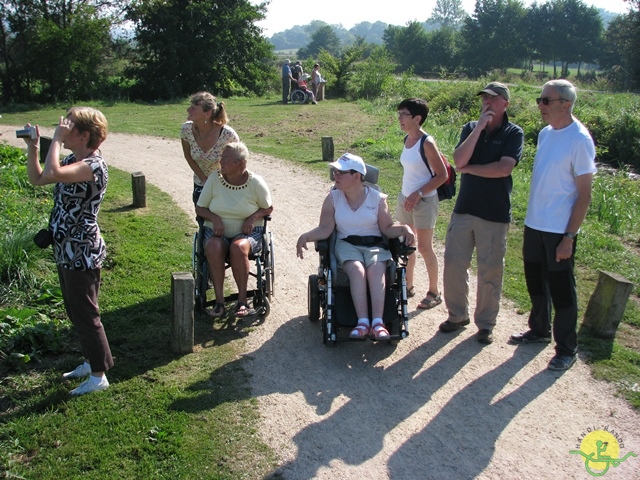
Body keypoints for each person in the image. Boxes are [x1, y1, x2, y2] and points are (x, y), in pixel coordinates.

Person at [24, 107, 113, 395]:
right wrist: (35, 147)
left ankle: (99, 376)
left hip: (82, 248)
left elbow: (53, 173)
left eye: (68, 126)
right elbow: (38, 178)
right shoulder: (72, 160)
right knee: (74, 310)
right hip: (66, 246)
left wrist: (56, 139)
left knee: (86, 313)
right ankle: (91, 361)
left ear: (84, 135)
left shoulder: (93, 166)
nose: (61, 127)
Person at [511, 80, 596, 371]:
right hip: (535, 224)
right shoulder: (546, 134)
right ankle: (539, 330)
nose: (540, 105)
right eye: (540, 99)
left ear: (566, 104)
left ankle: (566, 349)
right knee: (536, 283)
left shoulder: (580, 140)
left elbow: (584, 195)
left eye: (546, 100)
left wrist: (569, 236)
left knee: (562, 290)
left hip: (559, 230)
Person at [296, 153, 415, 341]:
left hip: (375, 245)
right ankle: (362, 323)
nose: (336, 175)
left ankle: (378, 323)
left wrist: (405, 228)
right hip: (347, 245)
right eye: (334, 171)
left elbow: (387, 228)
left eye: (341, 172)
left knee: (376, 270)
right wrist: (306, 236)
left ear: (357, 176)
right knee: (357, 271)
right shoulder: (333, 198)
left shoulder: (377, 198)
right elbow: (326, 229)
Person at [440, 82, 524, 344]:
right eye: (483, 99)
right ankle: (457, 316)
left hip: (494, 213)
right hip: (465, 208)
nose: (486, 103)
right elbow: (459, 160)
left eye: (492, 98)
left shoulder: (513, 133)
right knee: (454, 264)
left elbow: (503, 169)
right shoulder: (470, 128)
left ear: (505, 104)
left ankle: (486, 324)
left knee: (490, 270)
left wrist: (470, 169)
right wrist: (478, 128)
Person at [196, 142, 273, 319]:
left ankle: (242, 301)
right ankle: (220, 302)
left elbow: (268, 208)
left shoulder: (256, 182)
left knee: (238, 248)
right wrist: (214, 219)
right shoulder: (214, 179)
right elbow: (200, 208)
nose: (221, 161)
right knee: (213, 247)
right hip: (216, 232)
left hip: (248, 233)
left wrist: (252, 218)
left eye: (226, 159)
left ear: (241, 163)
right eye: (221, 157)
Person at [395, 98, 448, 310]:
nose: (399, 118)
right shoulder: (407, 138)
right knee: (407, 244)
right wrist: (409, 195)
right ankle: (408, 285)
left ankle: (435, 292)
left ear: (417, 118)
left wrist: (417, 194)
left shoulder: (427, 142)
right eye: (399, 113)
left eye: (404, 114)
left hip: (424, 201)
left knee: (425, 247)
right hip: (406, 198)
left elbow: (442, 175)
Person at [181, 91, 239, 206]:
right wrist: (204, 180)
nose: (188, 110)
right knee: (203, 220)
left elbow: (239, 162)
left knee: (224, 221)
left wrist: (225, 183)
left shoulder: (228, 135)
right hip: (200, 184)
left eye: (194, 108)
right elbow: (188, 156)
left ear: (207, 114)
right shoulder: (186, 130)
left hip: (225, 186)